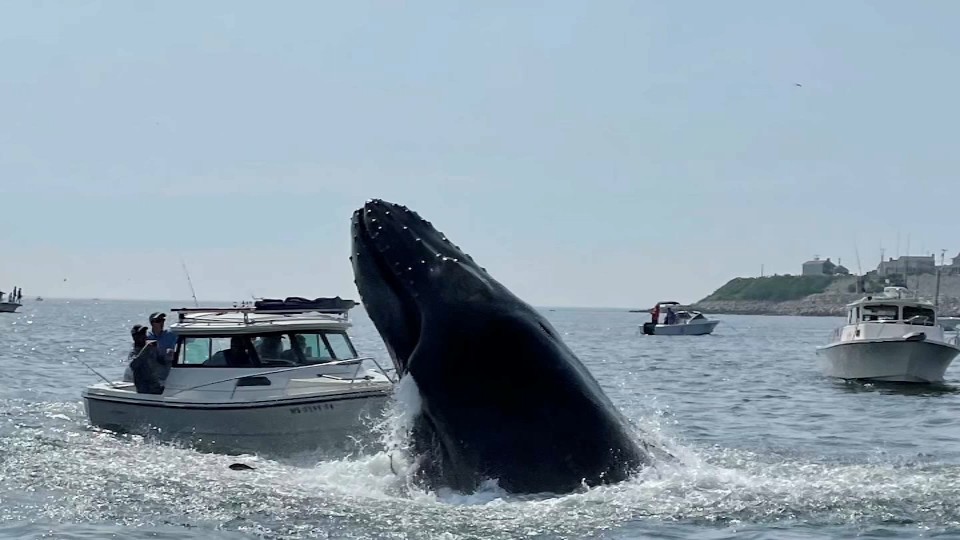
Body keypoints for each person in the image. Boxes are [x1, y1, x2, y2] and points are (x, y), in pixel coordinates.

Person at [126, 324, 171, 394]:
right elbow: (133, 365)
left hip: (156, 385)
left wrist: (166, 354)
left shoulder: (151, 348)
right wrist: (145, 349)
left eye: (144, 333)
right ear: (134, 337)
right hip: (144, 388)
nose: (144, 336)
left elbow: (162, 361)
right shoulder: (134, 352)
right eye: (140, 334)